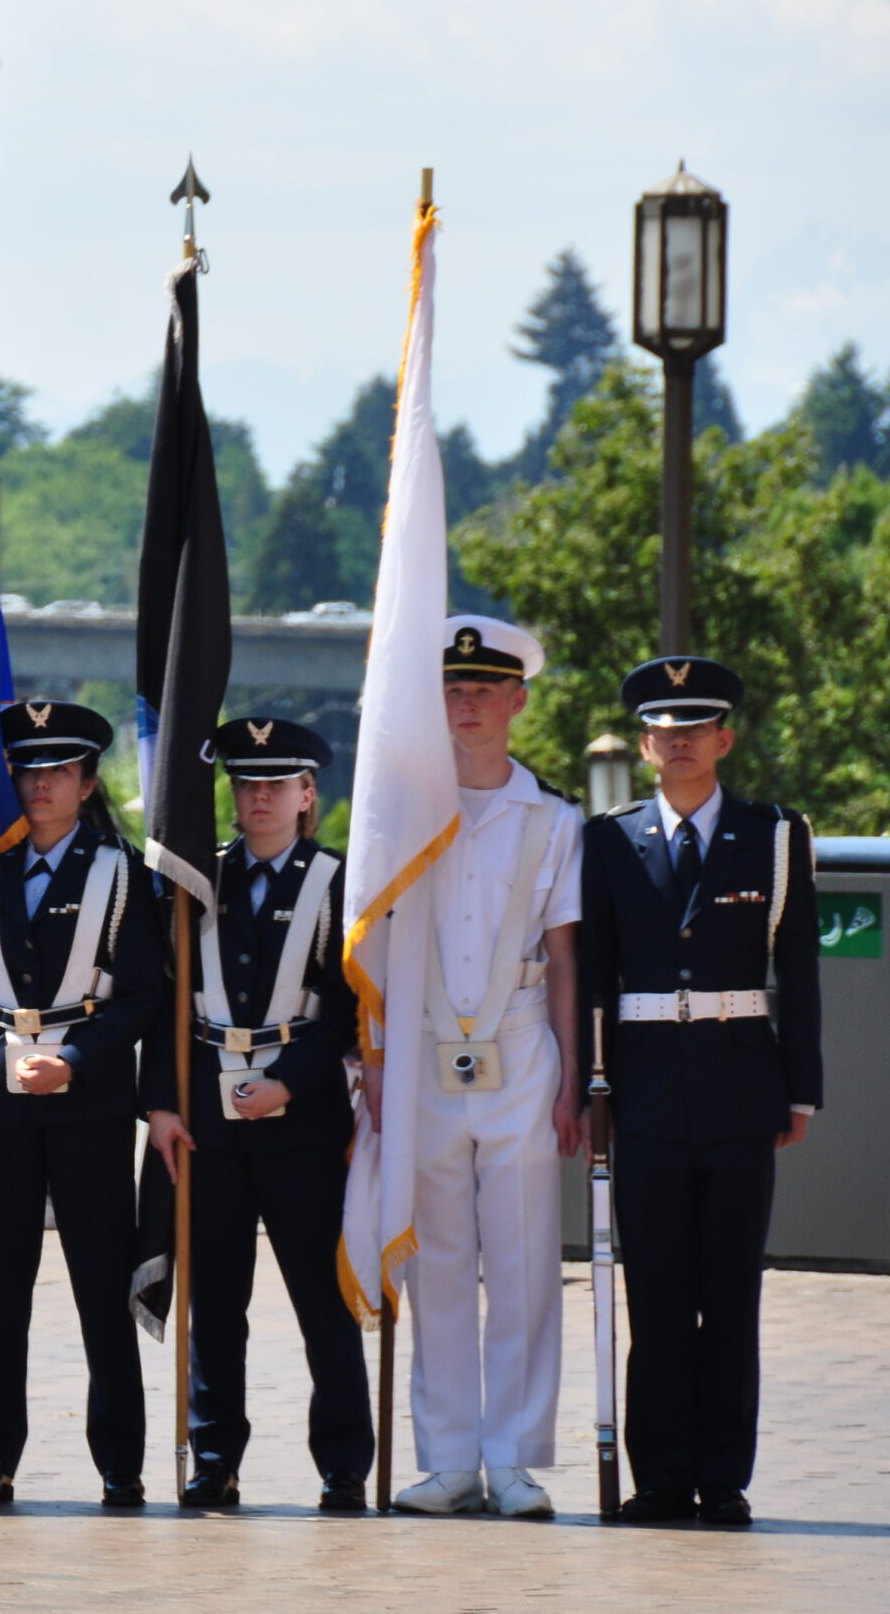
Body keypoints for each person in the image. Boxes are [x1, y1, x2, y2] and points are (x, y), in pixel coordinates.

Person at [581, 657, 821, 1527]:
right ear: (644, 745)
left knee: (729, 1294)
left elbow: (798, 969)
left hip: (738, 1088)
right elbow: (593, 976)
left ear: (724, 738)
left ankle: (722, 1480)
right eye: (662, 730)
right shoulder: (607, 840)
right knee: (655, 1293)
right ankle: (658, 1480)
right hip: (642, 1093)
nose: (678, 743)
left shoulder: (776, 835)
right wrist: (587, 1088)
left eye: (695, 729)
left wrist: (802, 1091)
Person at [0, 697, 163, 1507]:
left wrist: (79, 1061)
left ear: (88, 780)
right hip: (0, 1102)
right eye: (29, 767)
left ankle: (120, 1461)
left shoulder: (121, 873)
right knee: (3, 1286)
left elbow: (144, 995)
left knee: (100, 1284)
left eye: (60, 769)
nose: (41, 783)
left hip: (88, 1101)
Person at [143, 718, 371, 1512]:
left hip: (301, 1116)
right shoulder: (194, 880)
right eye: (247, 784)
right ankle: (215, 1458)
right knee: (217, 1304)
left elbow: (347, 1007)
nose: (261, 797)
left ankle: (343, 1462)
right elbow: (162, 999)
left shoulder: (341, 883)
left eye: (278, 783)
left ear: (309, 795)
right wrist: (162, 1103)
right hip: (209, 1108)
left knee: (322, 1298)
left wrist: (291, 1085)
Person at [388, 616, 585, 1519]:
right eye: (452, 690)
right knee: (437, 1264)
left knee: (521, 1264)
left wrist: (575, 1081)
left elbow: (567, 957)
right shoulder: (403, 812)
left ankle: (514, 1459)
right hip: (423, 1059)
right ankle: (450, 1458)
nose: (465, 705)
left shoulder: (554, 821)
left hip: (518, 1057)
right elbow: (372, 943)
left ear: (519, 701)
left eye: (483, 690)